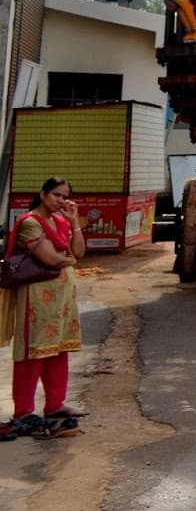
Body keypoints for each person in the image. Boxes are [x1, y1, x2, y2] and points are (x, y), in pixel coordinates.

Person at [3, 178, 87, 440]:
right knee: (33, 353)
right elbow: (50, 258)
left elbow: (79, 252)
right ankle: (24, 411)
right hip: (37, 297)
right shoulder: (30, 223)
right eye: (55, 195)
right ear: (42, 194)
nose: (60, 201)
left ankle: (55, 405)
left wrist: (74, 223)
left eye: (64, 197)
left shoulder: (61, 222)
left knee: (59, 350)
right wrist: (67, 259)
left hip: (61, 298)